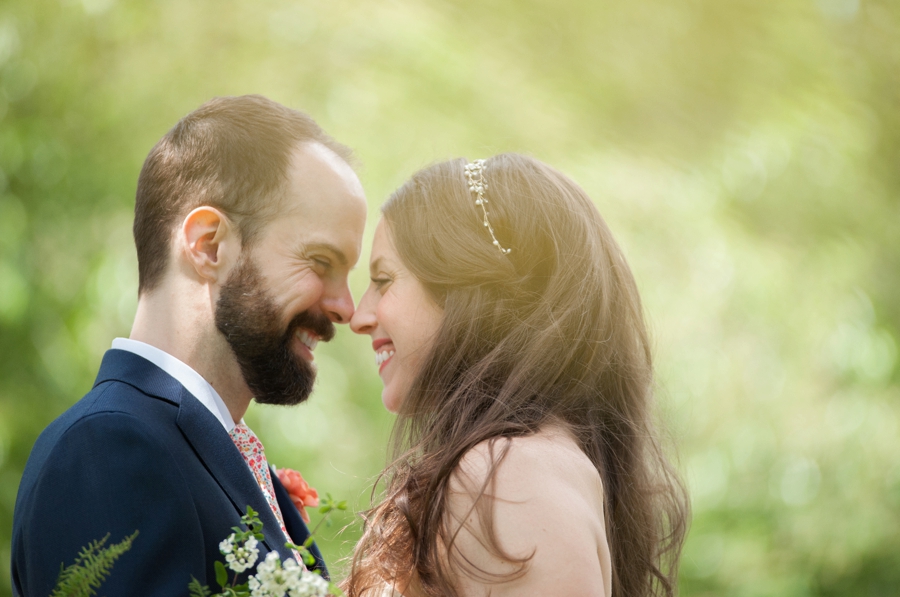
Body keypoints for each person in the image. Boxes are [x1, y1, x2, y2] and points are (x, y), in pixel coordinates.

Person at [11, 95, 367, 595]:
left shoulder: (206, 451)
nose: (346, 308)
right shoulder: (108, 452)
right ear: (209, 245)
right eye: (321, 262)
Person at [347, 154, 688, 597]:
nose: (359, 316)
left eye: (384, 279)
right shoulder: (529, 463)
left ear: (467, 287)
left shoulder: (509, 473)